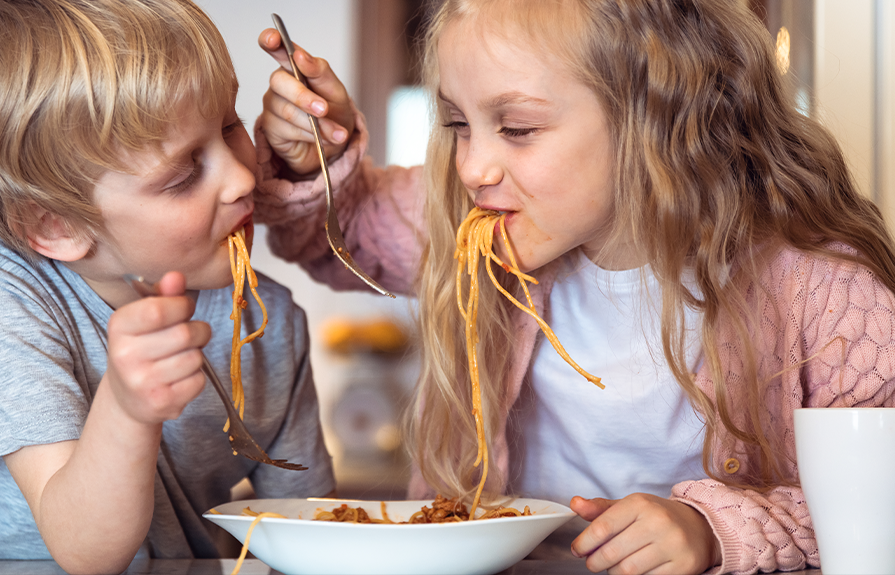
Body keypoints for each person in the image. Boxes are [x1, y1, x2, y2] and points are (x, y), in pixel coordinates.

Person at [254, 0, 895, 573]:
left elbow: (879, 509)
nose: (473, 168)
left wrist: (713, 531)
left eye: (518, 129)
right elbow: (331, 238)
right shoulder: (460, 221)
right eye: (457, 125)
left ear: (658, 119)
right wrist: (316, 155)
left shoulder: (827, 292)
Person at [0, 1, 335, 573]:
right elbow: (85, 552)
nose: (242, 178)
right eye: (185, 174)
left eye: (230, 127)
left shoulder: (271, 323)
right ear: (55, 226)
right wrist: (129, 409)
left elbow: (311, 533)